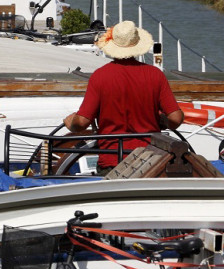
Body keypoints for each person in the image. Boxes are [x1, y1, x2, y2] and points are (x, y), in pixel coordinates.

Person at [63, 21, 183, 174]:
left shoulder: (100, 76)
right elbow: (176, 119)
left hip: (112, 161)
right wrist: (163, 121)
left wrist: (70, 123)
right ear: (137, 46)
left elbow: (81, 122)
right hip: (150, 161)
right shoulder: (155, 75)